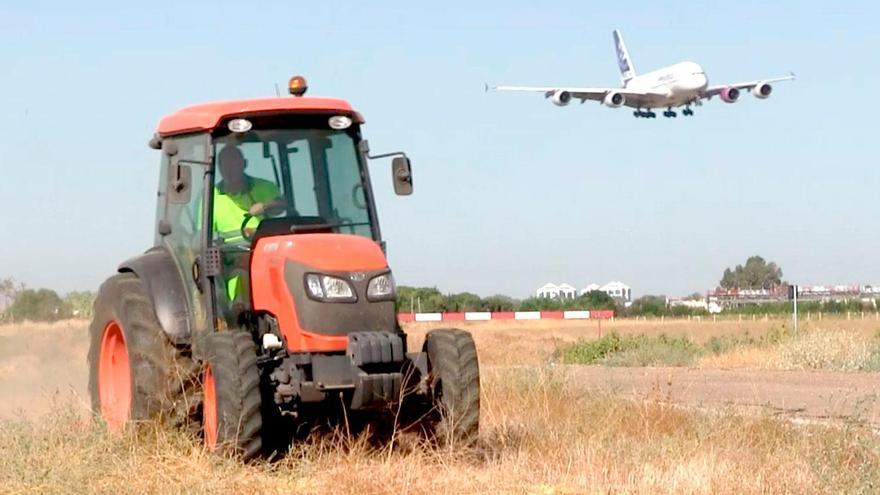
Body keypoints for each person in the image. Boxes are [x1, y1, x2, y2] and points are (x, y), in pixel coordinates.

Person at [213, 145, 285, 312]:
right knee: (239, 271)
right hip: (230, 255)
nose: (229, 170)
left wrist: (264, 206)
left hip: (265, 250)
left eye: (234, 165)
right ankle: (237, 312)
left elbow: (282, 205)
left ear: (244, 164)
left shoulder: (264, 187)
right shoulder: (212, 198)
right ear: (219, 168)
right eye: (225, 166)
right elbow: (202, 235)